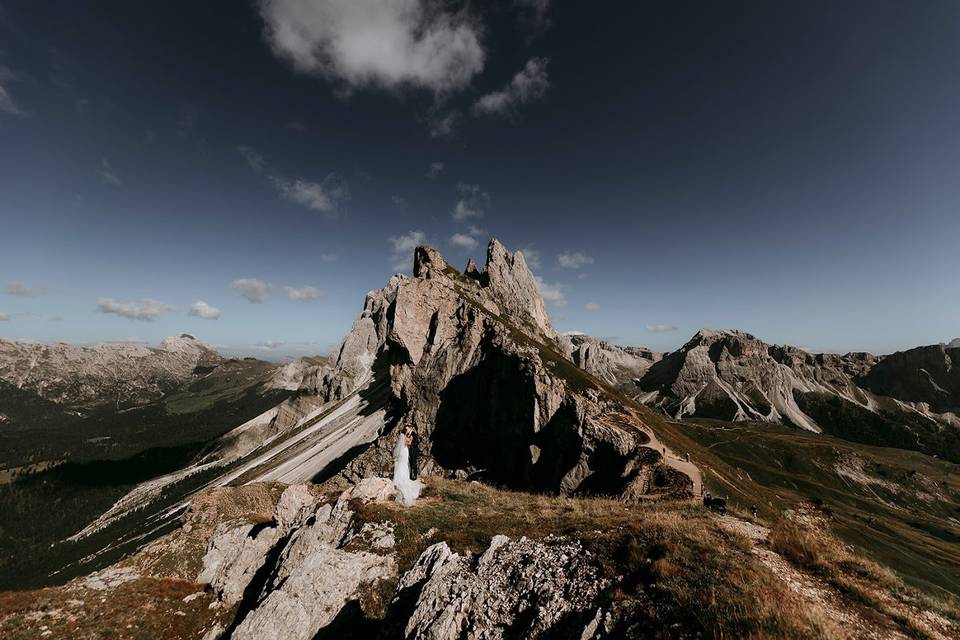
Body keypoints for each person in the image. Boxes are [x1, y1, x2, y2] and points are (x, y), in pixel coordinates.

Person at [392, 425, 422, 506]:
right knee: (405, 464)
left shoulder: (413, 435)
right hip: (405, 451)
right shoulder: (404, 436)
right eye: (406, 429)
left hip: (408, 451)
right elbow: (406, 443)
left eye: (407, 429)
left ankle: (412, 476)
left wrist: (410, 441)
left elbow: (414, 442)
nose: (407, 430)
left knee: (408, 464)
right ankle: (404, 478)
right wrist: (409, 441)